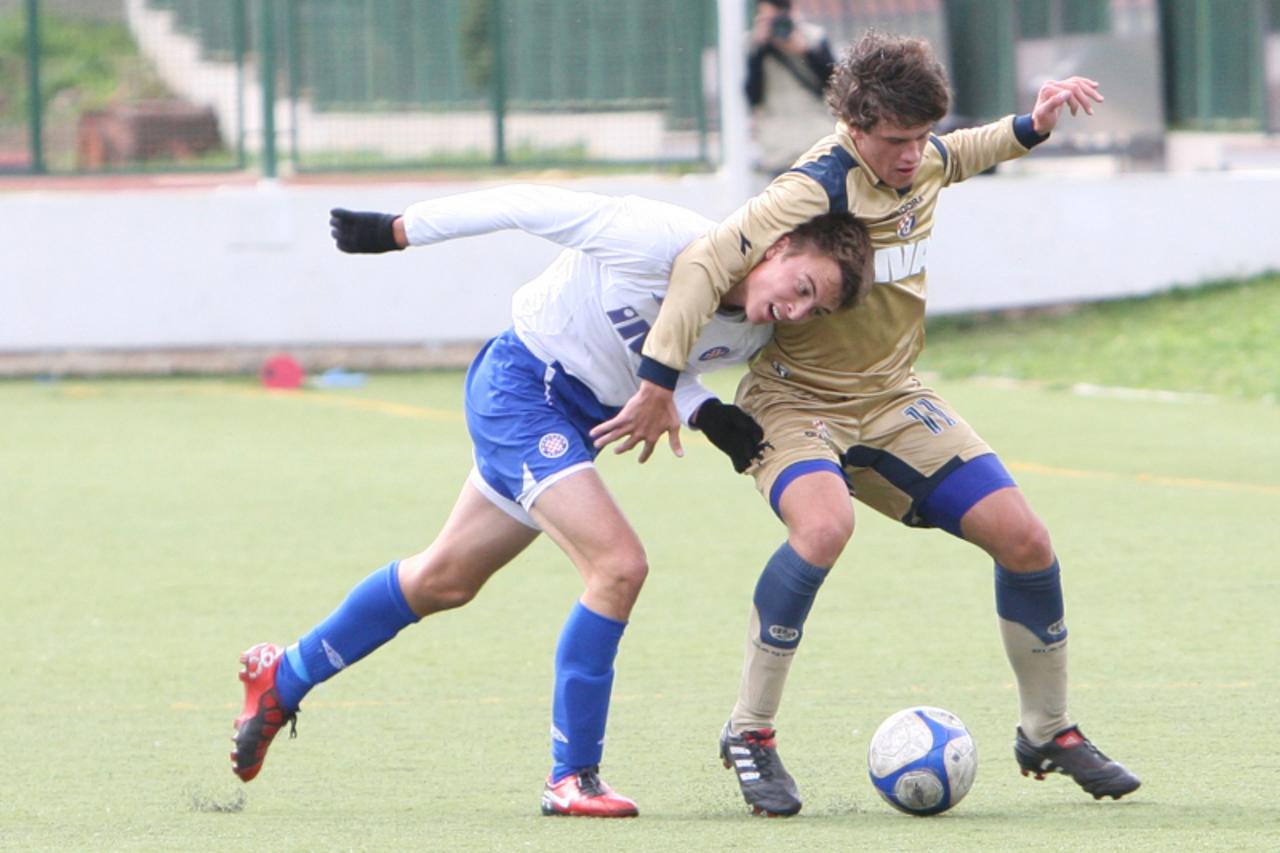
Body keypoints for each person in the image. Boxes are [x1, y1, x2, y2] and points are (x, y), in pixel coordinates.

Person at [590, 31, 1140, 817]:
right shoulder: (811, 187)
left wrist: (1034, 124)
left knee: (1027, 539)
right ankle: (750, 730)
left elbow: (964, 152)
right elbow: (702, 263)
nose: (913, 155)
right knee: (823, 528)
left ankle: (1046, 727)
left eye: (921, 136)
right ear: (855, 127)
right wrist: (655, 382)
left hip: (894, 397)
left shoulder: (923, 159)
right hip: (794, 400)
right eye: (896, 141)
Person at [228, 183, 872, 817]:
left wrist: (703, 410)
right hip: (522, 385)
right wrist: (401, 229)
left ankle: (282, 678)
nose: (794, 312)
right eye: (803, 289)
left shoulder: (752, 335)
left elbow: (655, 362)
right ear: (779, 246)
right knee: (618, 566)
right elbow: (522, 203)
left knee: (444, 579)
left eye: (814, 312)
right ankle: (571, 777)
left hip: (576, 423)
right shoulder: (655, 238)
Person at [745, 1, 837, 175]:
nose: (776, 26)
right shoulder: (754, 44)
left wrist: (806, 51)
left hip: (818, 140)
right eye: (768, 20)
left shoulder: (813, 37)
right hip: (778, 145)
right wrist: (759, 50)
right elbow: (752, 95)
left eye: (779, 19)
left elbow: (834, 83)